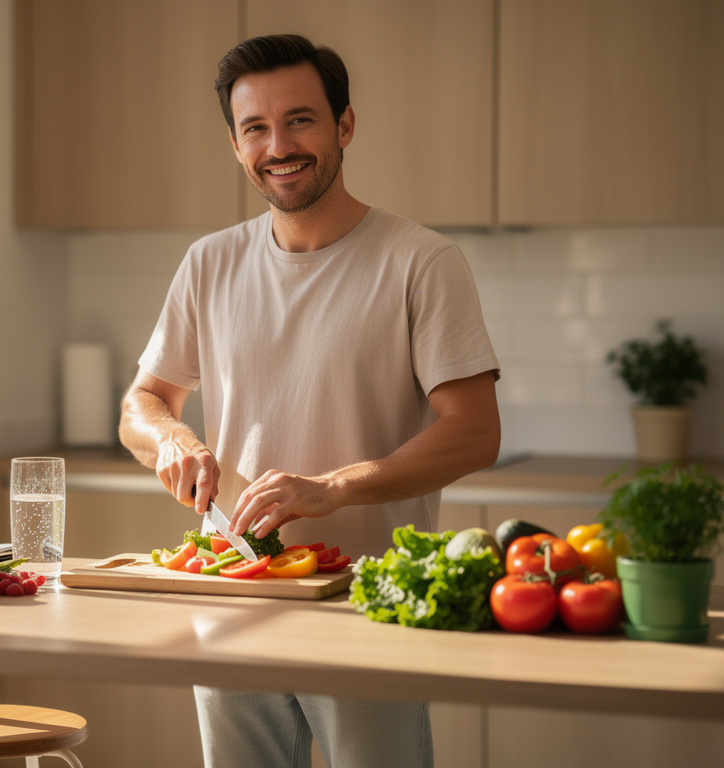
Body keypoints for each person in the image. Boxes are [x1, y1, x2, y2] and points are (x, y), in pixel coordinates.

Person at [117, 33, 502, 768]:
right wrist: (172, 440)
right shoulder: (209, 264)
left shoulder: (421, 262)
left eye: (300, 120)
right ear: (235, 145)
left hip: (368, 605)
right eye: (255, 128)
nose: (279, 145)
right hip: (233, 598)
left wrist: (331, 488)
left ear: (344, 126)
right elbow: (144, 401)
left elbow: (474, 432)